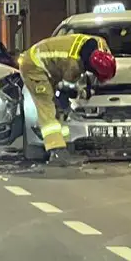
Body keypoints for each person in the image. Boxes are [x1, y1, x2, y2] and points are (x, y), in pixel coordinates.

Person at [18, 33, 117, 167]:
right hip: (34, 66)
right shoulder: (73, 65)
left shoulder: (101, 43)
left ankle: (65, 147)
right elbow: (68, 89)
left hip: (48, 65)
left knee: (60, 110)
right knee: (47, 107)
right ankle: (56, 152)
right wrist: (81, 92)